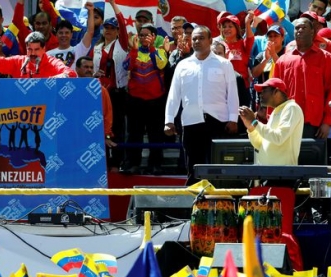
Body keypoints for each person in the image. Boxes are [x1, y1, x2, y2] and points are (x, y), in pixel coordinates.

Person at [165, 26, 239, 184]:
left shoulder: (224, 64)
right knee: (193, 168)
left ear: (211, 40)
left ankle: (220, 204)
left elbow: (232, 93)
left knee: (218, 168)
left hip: (218, 121)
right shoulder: (182, 65)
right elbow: (174, 94)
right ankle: (194, 206)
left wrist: (233, 119)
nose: (197, 41)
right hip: (191, 122)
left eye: (201, 38)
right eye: (194, 39)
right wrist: (169, 120)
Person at [273, 17, 331, 140]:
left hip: (315, 124)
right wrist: (272, 119)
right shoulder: (283, 61)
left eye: (304, 28)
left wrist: (327, 121)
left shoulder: (326, 58)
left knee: (312, 158)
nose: (300, 30)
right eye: (297, 28)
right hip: (287, 122)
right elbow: (274, 92)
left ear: (312, 32)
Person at [121, 25, 169, 175]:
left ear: (154, 37)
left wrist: (153, 49)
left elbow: (161, 64)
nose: (143, 38)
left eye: (147, 35)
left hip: (155, 101)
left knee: (156, 135)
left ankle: (155, 165)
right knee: (134, 134)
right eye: (141, 35)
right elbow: (127, 66)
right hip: (135, 101)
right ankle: (132, 164)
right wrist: (134, 50)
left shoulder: (160, 51)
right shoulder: (133, 52)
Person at [93, 0, 128, 170]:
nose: (108, 30)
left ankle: (117, 162)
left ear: (118, 31)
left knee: (117, 128)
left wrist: (113, 4)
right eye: (106, 27)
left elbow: (122, 21)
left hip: (117, 92)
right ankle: (102, 162)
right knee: (99, 127)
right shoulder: (97, 48)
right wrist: (95, 74)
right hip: (99, 92)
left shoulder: (121, 45)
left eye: (112, 28)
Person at [238, 78, 304, 166]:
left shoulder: (291, 108)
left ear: (276, 92)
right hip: (268, 173)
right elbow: (259, 144)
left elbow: (278, 138)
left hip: (283, 175)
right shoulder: (276, 111)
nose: (260, 95)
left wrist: (254, 122)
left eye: (264, 91)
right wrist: (251, 128)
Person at [0, 29, 77, 78]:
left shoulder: (53, 63)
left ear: (44, 49)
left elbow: (71, 74)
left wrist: (52, 80)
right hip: (22, 110)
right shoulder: (18, 62)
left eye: (37, 49)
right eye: (29, 49)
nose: (33, 53)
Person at [75, 56, 116, 169]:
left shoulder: (101, 90)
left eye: (91, 67)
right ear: (77, 69)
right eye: (85, 67)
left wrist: (106, 136)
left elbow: (108, 115)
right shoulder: (69, 88)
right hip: (74, 139)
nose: (89, 69)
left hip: (96, 141)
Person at [46, 4, 94, 68]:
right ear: (56, 35)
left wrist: (90, 11)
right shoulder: (48, 55)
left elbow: (90, 32)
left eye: (67, 33)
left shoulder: (78, 50)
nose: (64, 35)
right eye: (61, 33)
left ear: (71, 35)